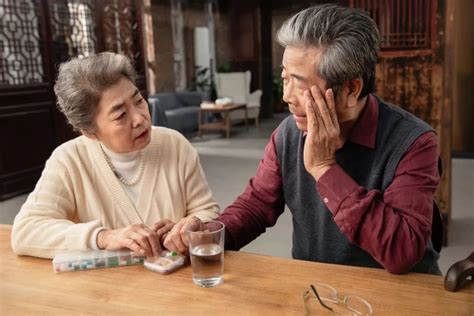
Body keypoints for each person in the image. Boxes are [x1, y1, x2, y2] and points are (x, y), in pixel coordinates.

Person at [165, 4, 441, 275]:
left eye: (300, 84)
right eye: (285, 79)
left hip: (399, 294)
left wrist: (324, 168)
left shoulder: (414, 142)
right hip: (318, 288)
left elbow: (403, 251)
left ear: (351, 89)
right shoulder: (288, 133)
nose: (286, 96)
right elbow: (258, 204)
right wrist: (208, 235)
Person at [11, 52, 219, 259]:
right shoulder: (69, 159)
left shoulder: (175, 144)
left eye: (138, 101)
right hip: (105, 288)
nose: (140, 118)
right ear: (89, 131)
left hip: (176, 282)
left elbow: (207, 212)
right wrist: (104, 237)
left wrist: (189, 229)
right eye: (120, 115)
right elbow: (26, 231)